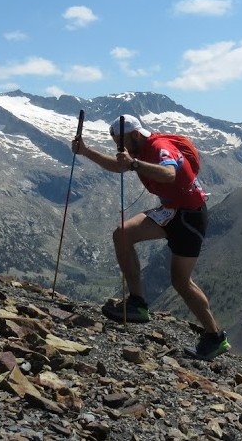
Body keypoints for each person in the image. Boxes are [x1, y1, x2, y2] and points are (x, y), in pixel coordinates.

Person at [71, 114, 230, 360]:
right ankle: (137, 304)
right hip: (171, 210)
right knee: (122, 234)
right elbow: (118, 165)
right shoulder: (137, 148)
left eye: (121, 142)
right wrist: (86, 151)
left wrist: (134, 164)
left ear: (135, 135)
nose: (119, 149)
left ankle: (215, 337)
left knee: (181, 282)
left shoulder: (159, 147)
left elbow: (168, 174)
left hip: (190, 216)